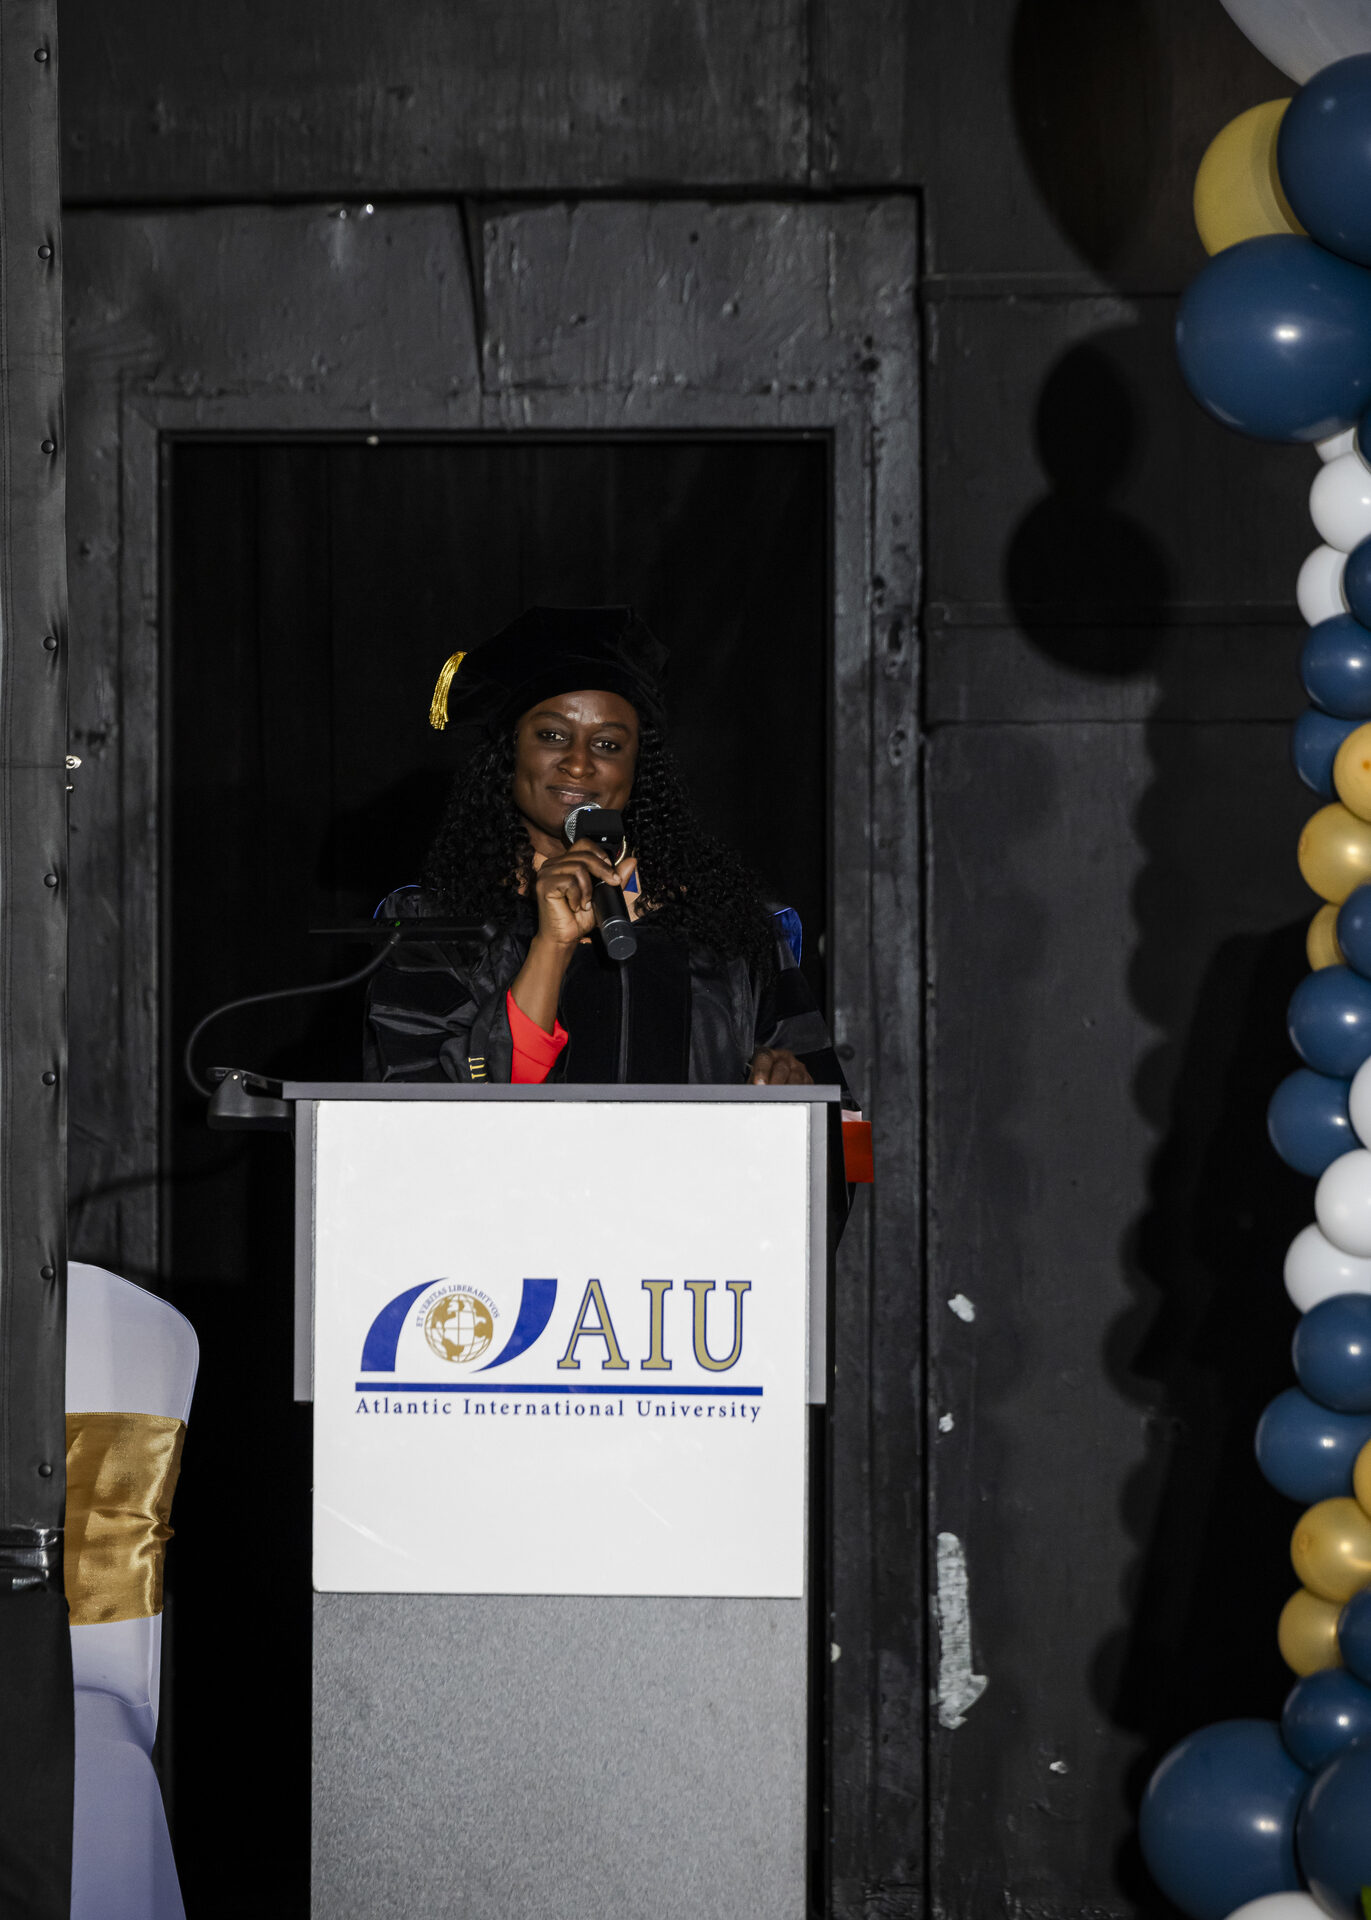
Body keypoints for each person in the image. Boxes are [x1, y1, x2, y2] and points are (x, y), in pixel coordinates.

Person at [363, 603, 847, 1091]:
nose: (578, 763)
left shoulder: (732, 929)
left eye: (608, 744)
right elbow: (416, 1113)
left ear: (638, 766)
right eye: (552, 736)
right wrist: (552, 946)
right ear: (510, 753)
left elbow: (841, 1125)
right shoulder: (435, 930)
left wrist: (798, 1087)